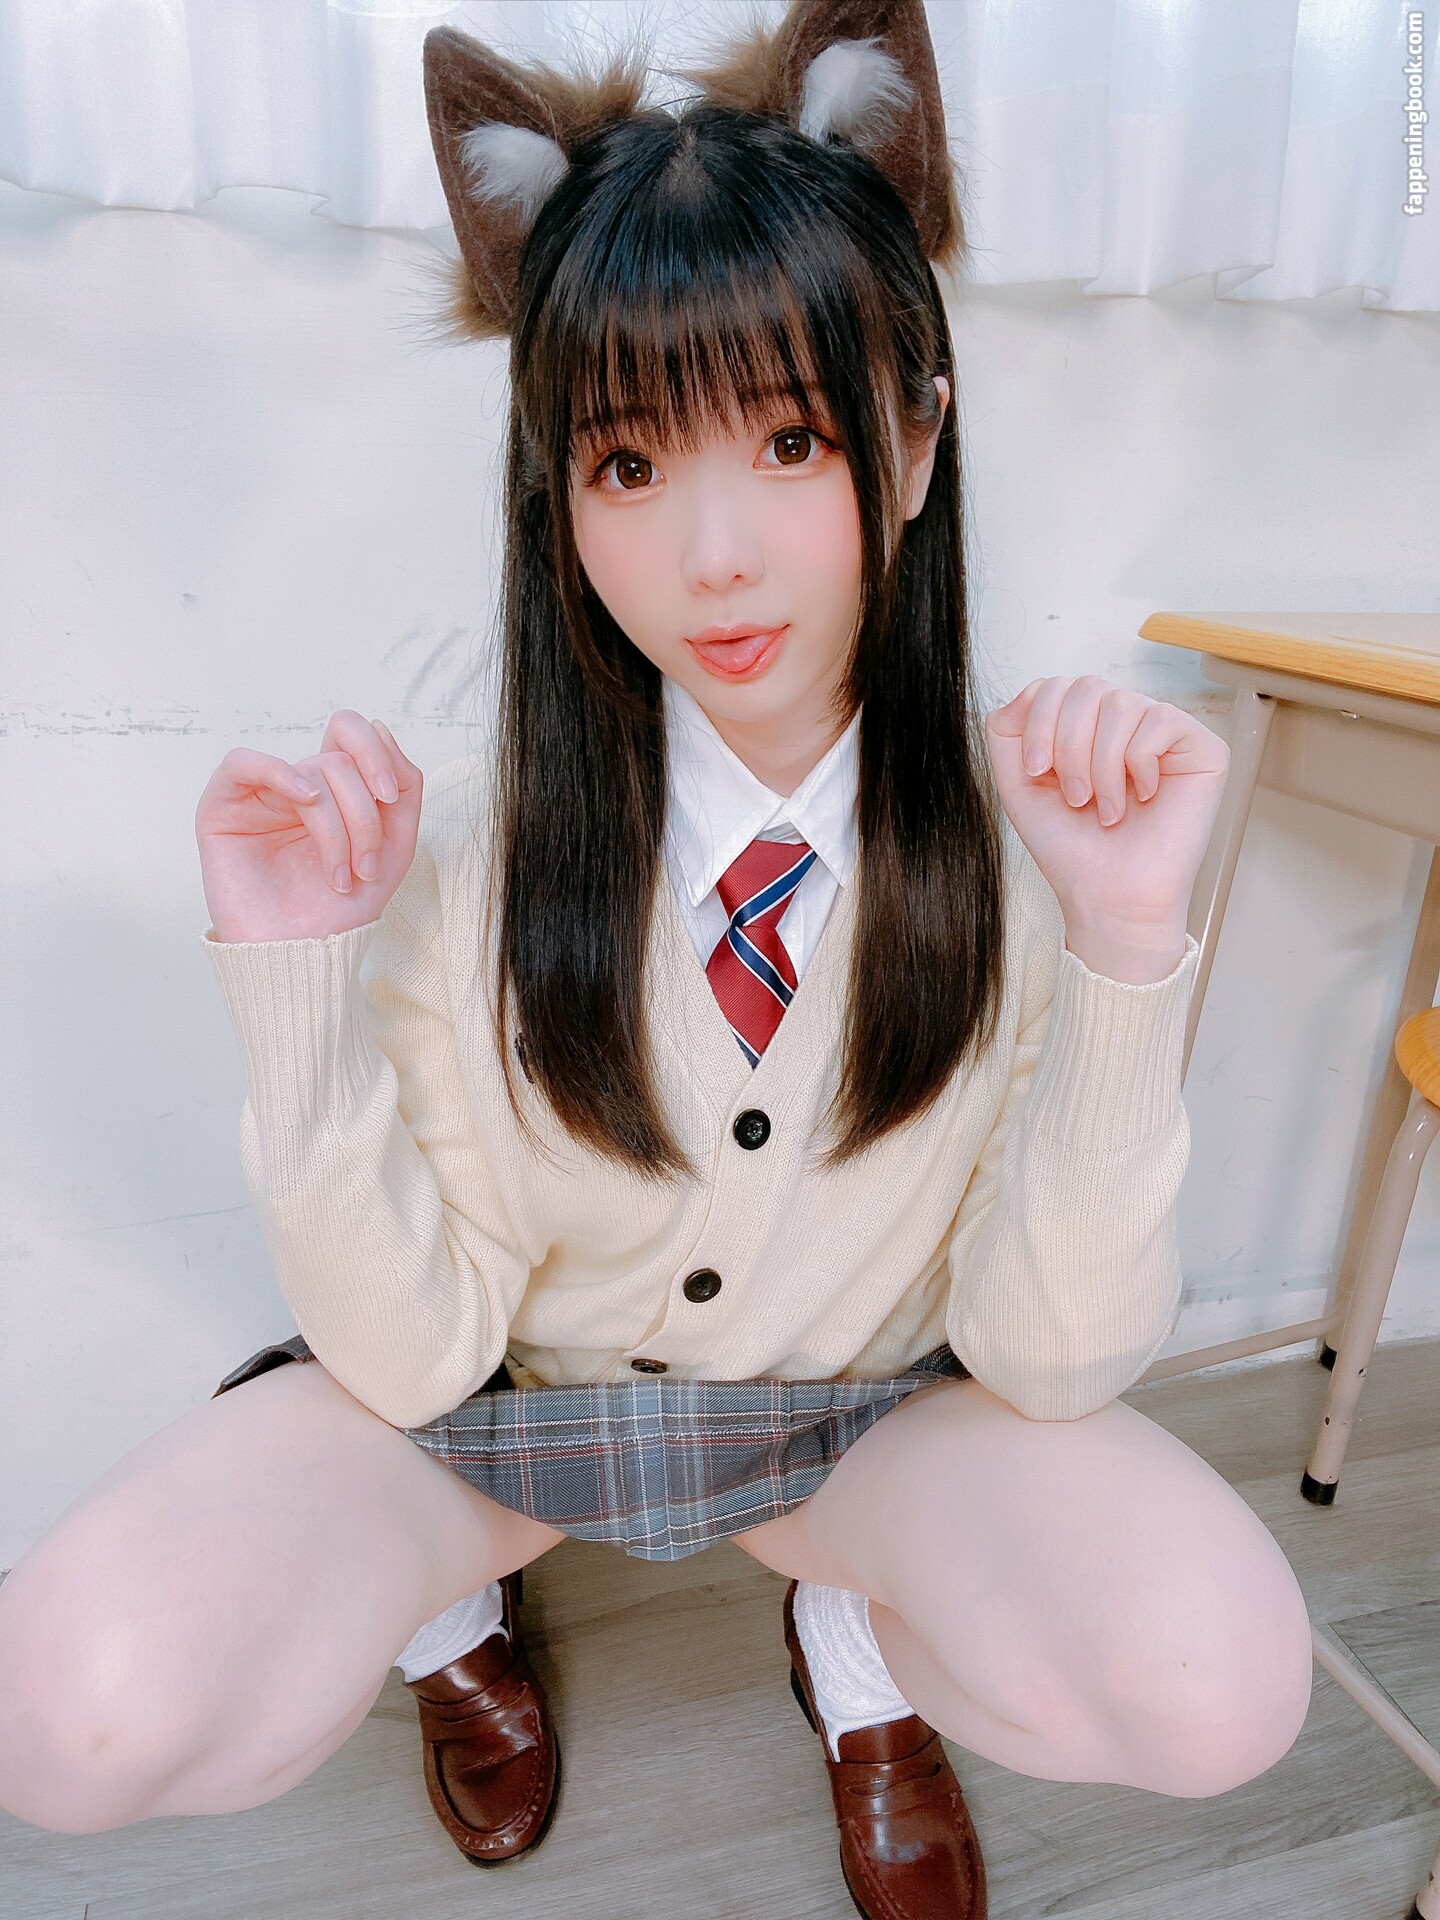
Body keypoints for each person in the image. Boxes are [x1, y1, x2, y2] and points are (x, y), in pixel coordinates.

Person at [0, 2, 1314, 1915]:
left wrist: (1124, 949)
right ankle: (453, 1621)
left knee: (1215, 1686)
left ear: (915, 440)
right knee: (73, 1713)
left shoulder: (1032, 850)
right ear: (558, 488)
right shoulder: (462, 873)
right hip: (500, 1409)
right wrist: (297, 996)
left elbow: (1052, 1360)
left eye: (789, 439)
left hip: (861, 1427)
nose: (713, 556)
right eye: (626, 464)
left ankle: (857, 1645)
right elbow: (414, 1353)